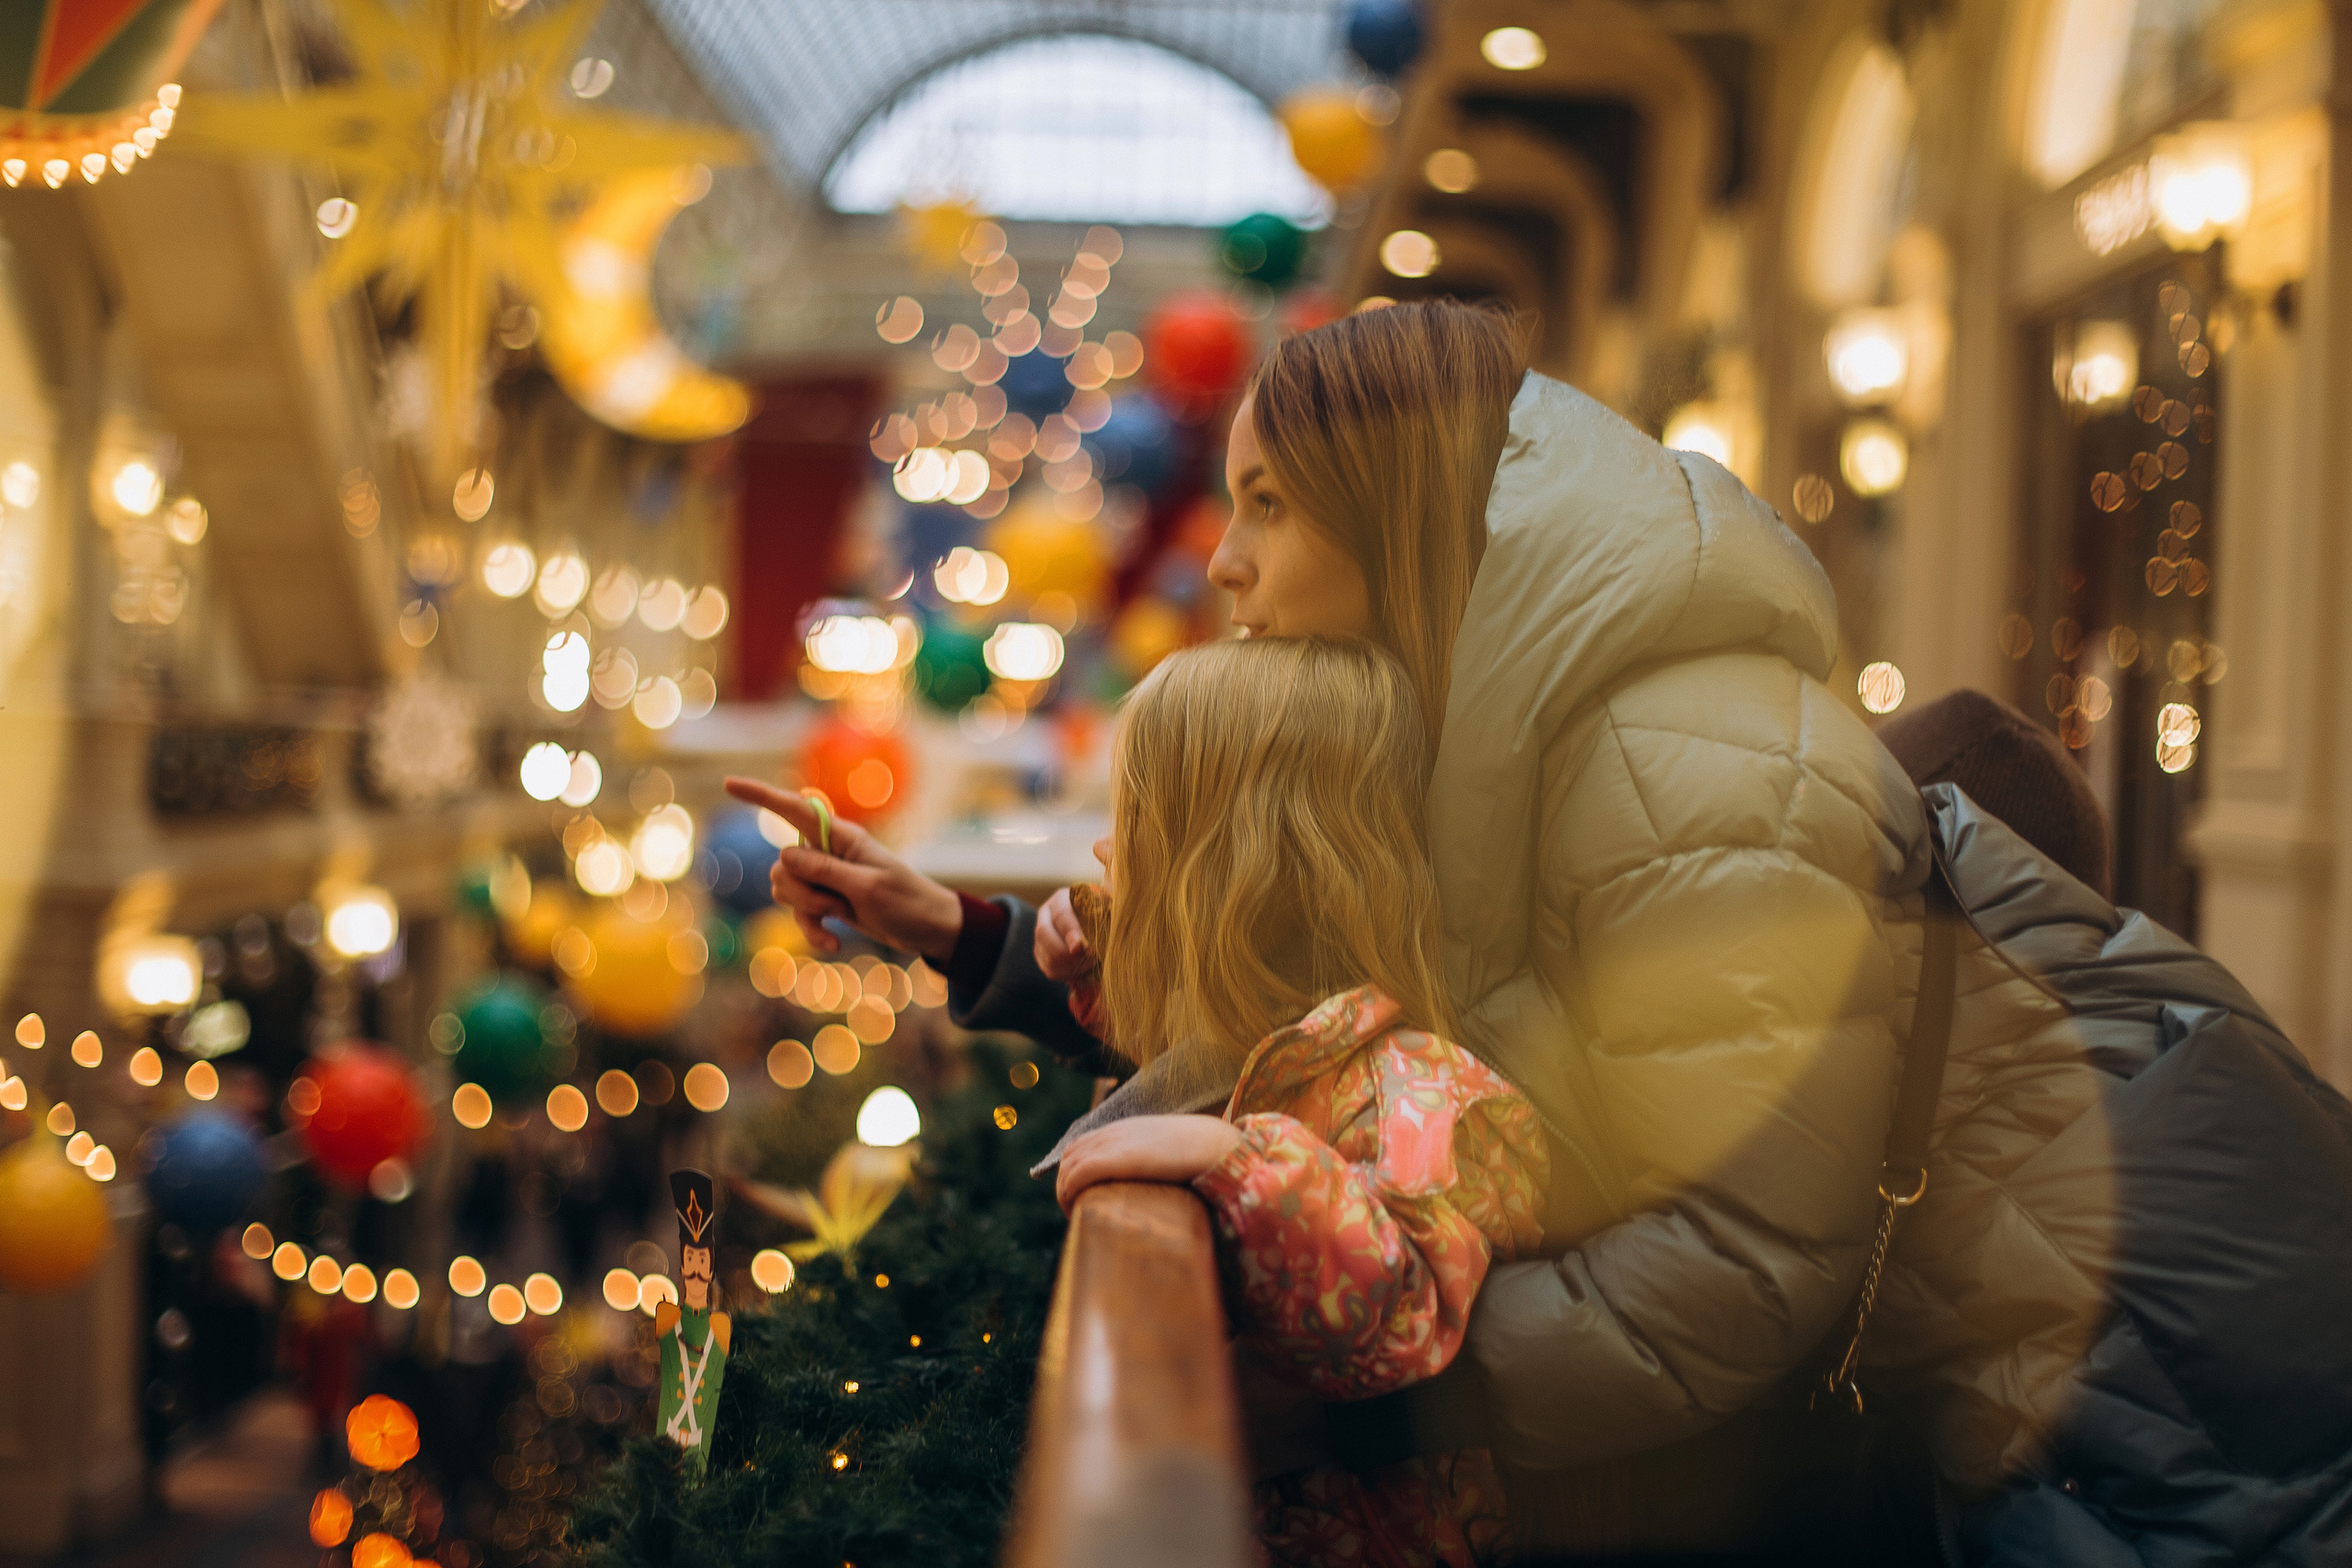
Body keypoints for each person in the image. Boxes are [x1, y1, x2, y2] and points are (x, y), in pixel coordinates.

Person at [729, 300, 2352, 1564]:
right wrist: (985, 947)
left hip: (2145, 1389)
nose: (1227, 566)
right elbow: (1405, 1035)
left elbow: (1734, 1265)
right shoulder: (1508, 724)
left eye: (1274, 508)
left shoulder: (1674, 753)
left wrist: (1364, 1406)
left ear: (1401, 512)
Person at [1048, 635, 1549, 1566]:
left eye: (1143, 820)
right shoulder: (1281, 1049)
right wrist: (1093, 966)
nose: (1104, 846)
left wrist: (1232, 1161)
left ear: (1236, 871)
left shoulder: (1422, 1091)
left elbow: (1400, 1314)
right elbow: (1210, 1054)